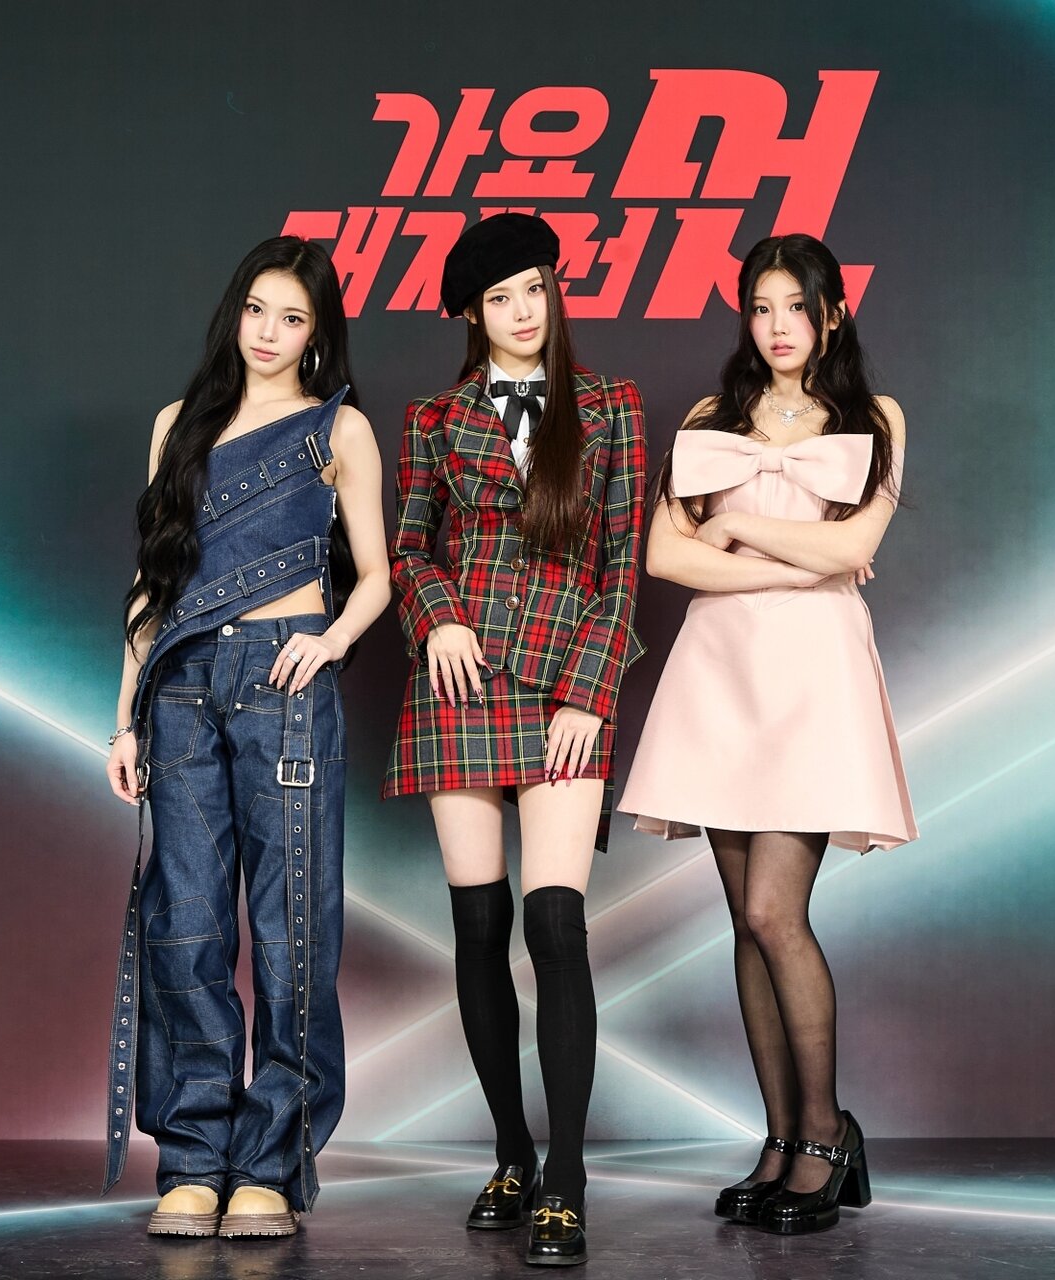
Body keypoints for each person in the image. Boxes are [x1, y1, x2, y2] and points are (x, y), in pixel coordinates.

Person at [618, 232, 915, 1236]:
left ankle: (828, 1135)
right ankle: (782, 1138)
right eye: (761, 306)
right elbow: (667, 557)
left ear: (832, 314)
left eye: (797, 306)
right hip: (720, 672)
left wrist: (741, 528)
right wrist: (799, 561)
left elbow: (856, 544)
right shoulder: (709, 420)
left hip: (812, 678)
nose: (779, 325)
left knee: (776, 912)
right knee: (744, 919)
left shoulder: (875, 418)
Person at [100, 236, 390, 1239]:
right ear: (236, 312)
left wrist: (331, 640)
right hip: (181, 686)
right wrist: (125, 717)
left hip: (284, 682)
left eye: (292, 318)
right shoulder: (177, 424)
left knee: (291, 926)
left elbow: (377, 576)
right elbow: (152, 583)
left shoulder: (337, 428)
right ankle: (192, 1158)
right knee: (187, 924)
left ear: (318, 333)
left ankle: (269, 1161)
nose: (268, 333)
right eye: (257, 310)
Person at [381, 213, 646, 1266]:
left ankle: (566, 1180)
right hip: (461, 680)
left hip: (565, 682)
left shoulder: (612, 407)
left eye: (535, 288)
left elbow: (622, 561)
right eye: (500, 298)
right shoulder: (433, 418)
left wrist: (589, 691)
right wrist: (438, 616)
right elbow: (407, 546)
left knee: (556, 926)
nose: (524, 311)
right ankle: (510, 1153)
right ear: (472, 313)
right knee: (479, 926)